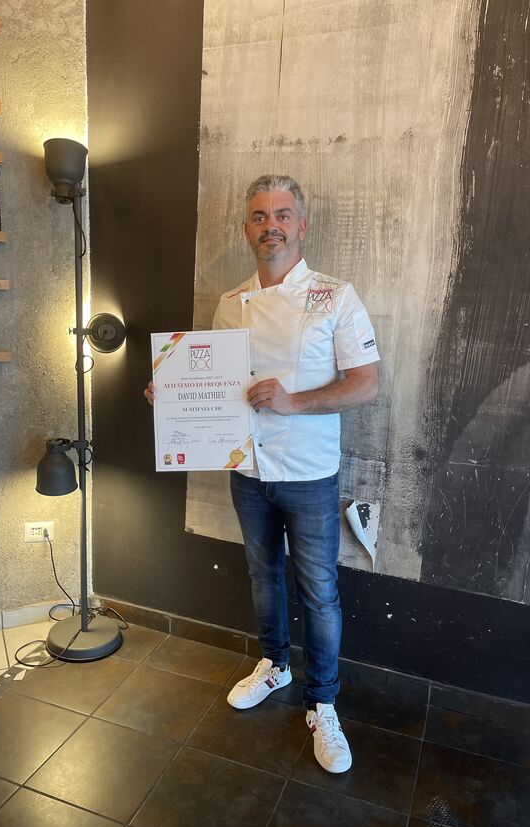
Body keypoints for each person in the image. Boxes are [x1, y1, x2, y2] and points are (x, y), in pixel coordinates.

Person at [145, 175, 379, 774]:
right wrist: (171, 396)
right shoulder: (230, 303)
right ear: (246, 229)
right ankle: (275, 665)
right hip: (247, 469)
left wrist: (295, 402)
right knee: (262, 576)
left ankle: (322, 702)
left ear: (302, 224)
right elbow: (213, 383)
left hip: (308, 472)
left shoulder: (335, 296)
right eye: (258, 215)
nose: (270, 225)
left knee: (319, 590)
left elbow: (365, 384)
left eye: (282, 214)